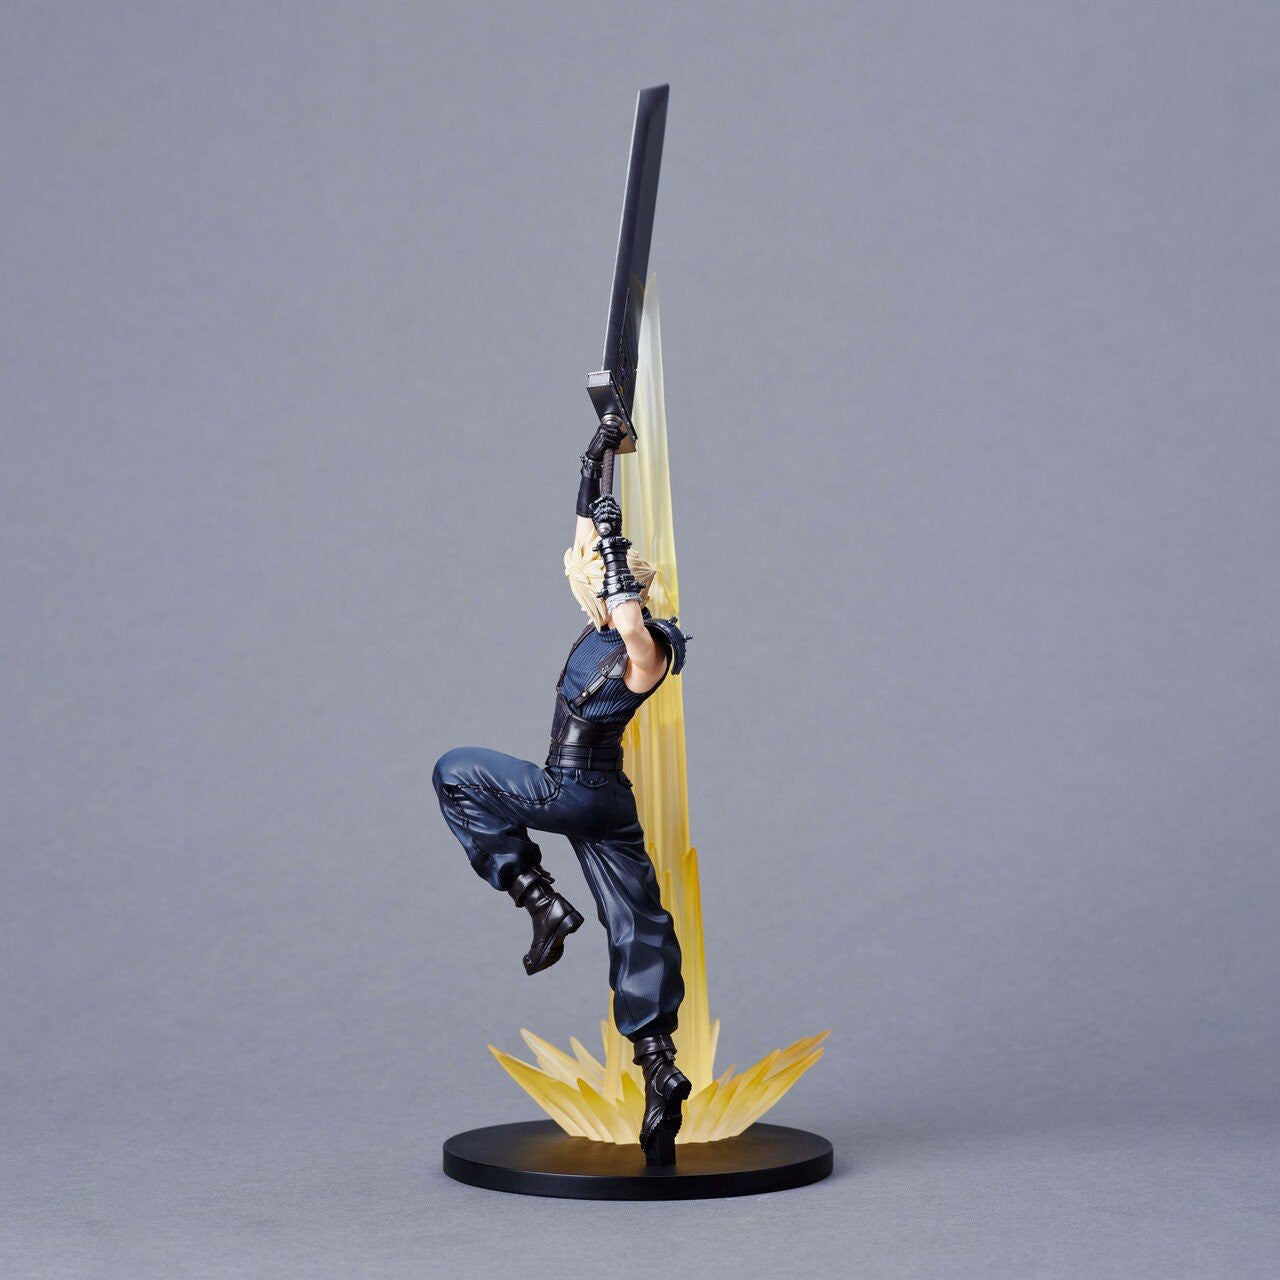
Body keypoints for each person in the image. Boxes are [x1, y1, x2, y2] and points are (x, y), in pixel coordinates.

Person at [432, 418, 691, 1166]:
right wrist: (597, 455)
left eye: (604, 579)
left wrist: (613, 549)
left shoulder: (647, 650)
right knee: (638, 921)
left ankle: (538, 898)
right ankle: (659, 1066)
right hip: (609, 805)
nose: (591, 582)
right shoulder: (601, 621)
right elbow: (583, 552)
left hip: (570, 789)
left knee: (457, 772)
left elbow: (630, 620)